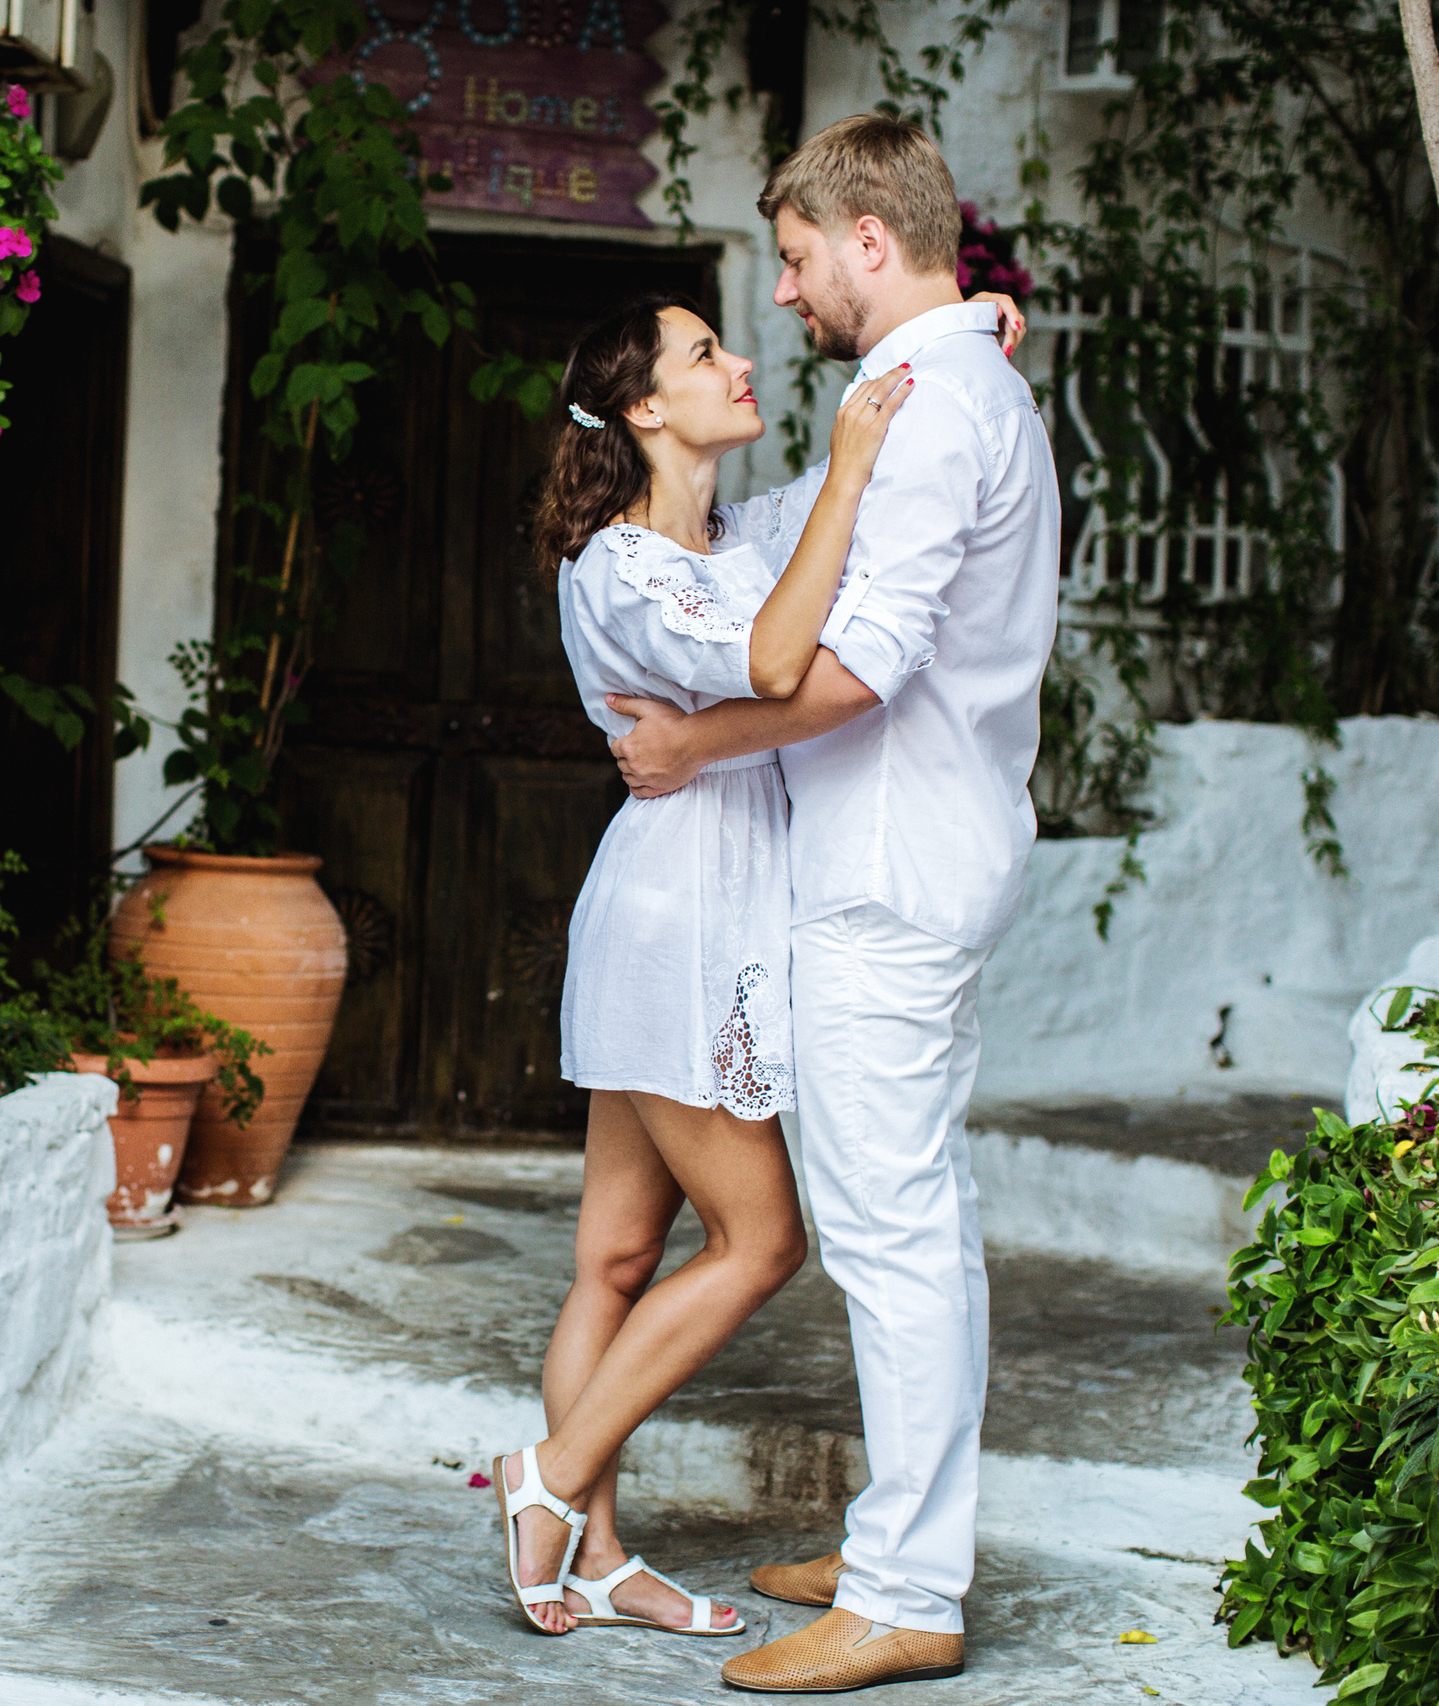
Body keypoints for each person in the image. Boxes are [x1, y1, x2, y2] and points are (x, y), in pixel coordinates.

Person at [490, 276, 1024, 1644]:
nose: (738, 363)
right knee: (764, 1234)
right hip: (681, 921)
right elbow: (778, 656)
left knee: (615, 1256)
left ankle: (595, 1555)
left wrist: (969, 327)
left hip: (706, 909)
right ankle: (546, 1480)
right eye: (704, 351)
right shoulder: (616, 565)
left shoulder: (737, 531)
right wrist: (844, 465)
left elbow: (870, 468)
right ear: (643, 405)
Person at [604, 115, 1061, 1693]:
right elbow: (804, 529)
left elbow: (860, 667)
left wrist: (689, 745)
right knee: (911, 1224)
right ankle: (894, 1543)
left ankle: (907, 1593)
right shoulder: (950, 385)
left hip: (890, 875)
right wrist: (983, 327)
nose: (787, 295)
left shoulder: (939, 407)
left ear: (872, 240)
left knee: (893, 1233)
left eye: (796, 260)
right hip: (910, 859)